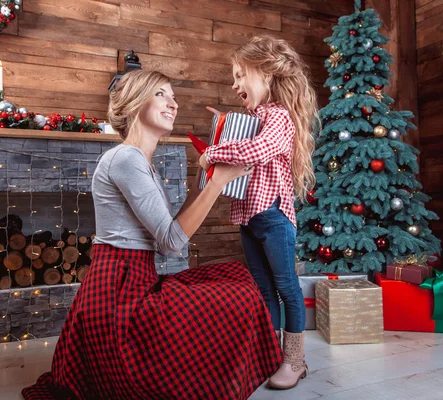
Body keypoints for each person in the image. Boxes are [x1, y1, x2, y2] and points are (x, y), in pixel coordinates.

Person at [22, 69, 282, 400]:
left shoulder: (144, 163)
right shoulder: (125, 158)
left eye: (173, 96)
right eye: (161, 94)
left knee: (235, 277)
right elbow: (172, 242)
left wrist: (206, 177)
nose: (173, 103)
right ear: (133, 103)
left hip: (138, 277)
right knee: (238, 296)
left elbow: (169, 229)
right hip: (118, 290)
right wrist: (217, 183)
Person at [199, 35, 319, 390]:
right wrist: (225, 126)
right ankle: (270, 355)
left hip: (274, 218)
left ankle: (295, 360)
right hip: (250, 217)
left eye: (240, 75)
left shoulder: (279, 117)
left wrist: (216, 152)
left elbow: (260, 150)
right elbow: (249, 142)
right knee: (263, 290)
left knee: (286, 287)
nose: (234, 84)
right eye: (233, 77)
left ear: (266, 74)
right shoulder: (256, 118)